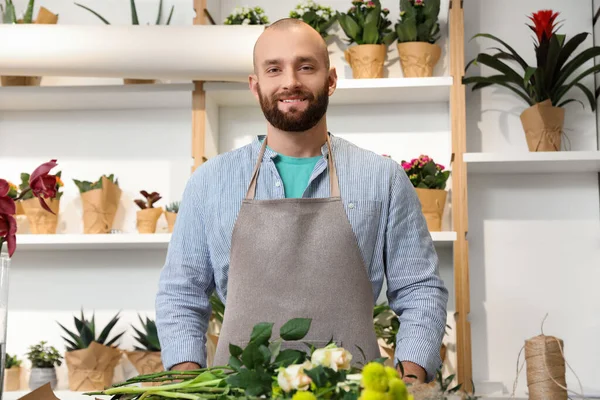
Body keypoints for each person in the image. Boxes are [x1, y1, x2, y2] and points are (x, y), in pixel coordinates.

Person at [155, 18, 448, 384]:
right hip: (238, 392)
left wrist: (410, 377)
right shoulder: (209, 183)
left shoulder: (383, 179)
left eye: (306, 66)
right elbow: (181, 293)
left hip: (352, 393)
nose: (290, 81)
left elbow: (420, 289)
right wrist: (188, 381)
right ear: (255, 84)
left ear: (331, 80)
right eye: (274, 69)